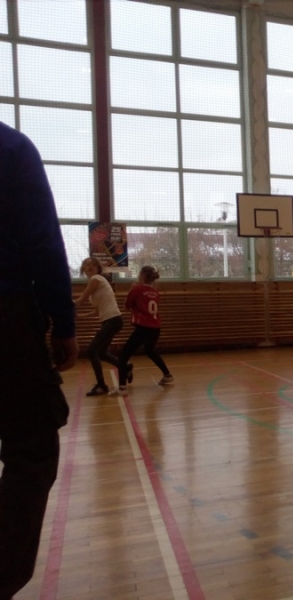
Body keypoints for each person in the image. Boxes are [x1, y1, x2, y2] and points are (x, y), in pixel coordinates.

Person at [0, 122, 79, 598]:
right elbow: (44, 242)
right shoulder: (10, 147)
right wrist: (62, 323)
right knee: (31, 449)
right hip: (5, 315)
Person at [112, 266, 174, 394]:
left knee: (123, 355)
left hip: (143, 327)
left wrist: (132, 291)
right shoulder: (155, 292)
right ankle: (167, 375)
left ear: (143, 276)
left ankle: (122, 387)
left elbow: (127, 306)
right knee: (149, 350)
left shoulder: (137, 289)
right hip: (156, 327)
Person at [75, 257, 123, 396]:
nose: (90, 267)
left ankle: (101, 385)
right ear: (83, 268)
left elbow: (81, 299)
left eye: (93, 265)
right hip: (110, 321)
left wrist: (65, 304)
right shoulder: (95, 285)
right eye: (87, 265)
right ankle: (125, 367)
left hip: (113, 320)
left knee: (91, 351)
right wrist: (80, 316)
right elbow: (97, 311)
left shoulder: (96, 279)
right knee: (101, 353)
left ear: (98, 269)